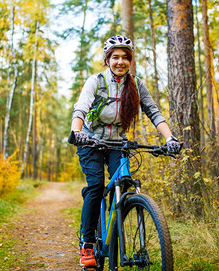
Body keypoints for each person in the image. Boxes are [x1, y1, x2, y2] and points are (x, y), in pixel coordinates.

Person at [69, 35, 181, 268]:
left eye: (125, 58)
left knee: (124, 181)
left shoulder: (136, 84)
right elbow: (81, 108)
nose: (120, 62)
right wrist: (77, 132)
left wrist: (169, 138)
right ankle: (87, 243)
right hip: (90, 142)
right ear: (107, 59)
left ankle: (117, 219)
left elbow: (154, 113)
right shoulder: (96, 81)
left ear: (130, 60)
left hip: (118, 143)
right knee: (97, 185)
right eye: (115, 57)